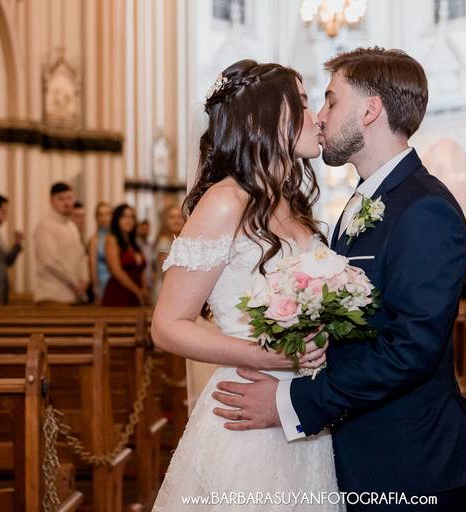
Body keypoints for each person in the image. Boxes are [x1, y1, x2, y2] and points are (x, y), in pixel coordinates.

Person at [212, 48, 466, 511]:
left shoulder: (425, 209)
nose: (320, 117)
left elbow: (410, 351)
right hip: (361, 453)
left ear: (370, 110)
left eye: (331, 100)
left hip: (410, 466)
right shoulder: (366, 201)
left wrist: (292, 401)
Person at [150, 60, 334, 511]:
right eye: (303, 103)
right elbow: (168, 325)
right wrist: (266, 356)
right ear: (261, 117)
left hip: (304, 410)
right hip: (247, 407)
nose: (317, 118)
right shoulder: (224, 201)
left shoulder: (292, 205)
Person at [33, 182, 89, 305]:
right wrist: (75, 283)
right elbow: (50, 261)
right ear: (51, 201)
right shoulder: (44, 226)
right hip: (52, 296)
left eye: (69, 198)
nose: (67, 202)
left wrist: (85, 279)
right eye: (61, 199)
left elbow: (81, 256)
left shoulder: (72, 226)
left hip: (74, 295)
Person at [101, 204, 149, 307]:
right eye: (124, 216)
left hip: (137, 293)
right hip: (119, 292)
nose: (129, 220)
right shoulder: (112, 239)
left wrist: (144, 290)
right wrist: (137, 290)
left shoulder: (134, 243)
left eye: (131, 217)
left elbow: (141, 269)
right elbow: (116, 270)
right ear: (117, 219)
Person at [152, 204, 184, 300]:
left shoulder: (180, 240)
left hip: (178, 287)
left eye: (179, 217)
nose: (176, 221)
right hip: (167, 289)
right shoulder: (164, 241)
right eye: (171, 217)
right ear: (165, 221)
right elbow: (166, 271)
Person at [88, 202, 112, 303]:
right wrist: (96, 289)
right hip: (102, 283)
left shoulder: (116, 237)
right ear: (97, 218)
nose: (104, 218)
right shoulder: (94, 240)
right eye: (101, 215)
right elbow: (93, 267)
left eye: (107, 214)